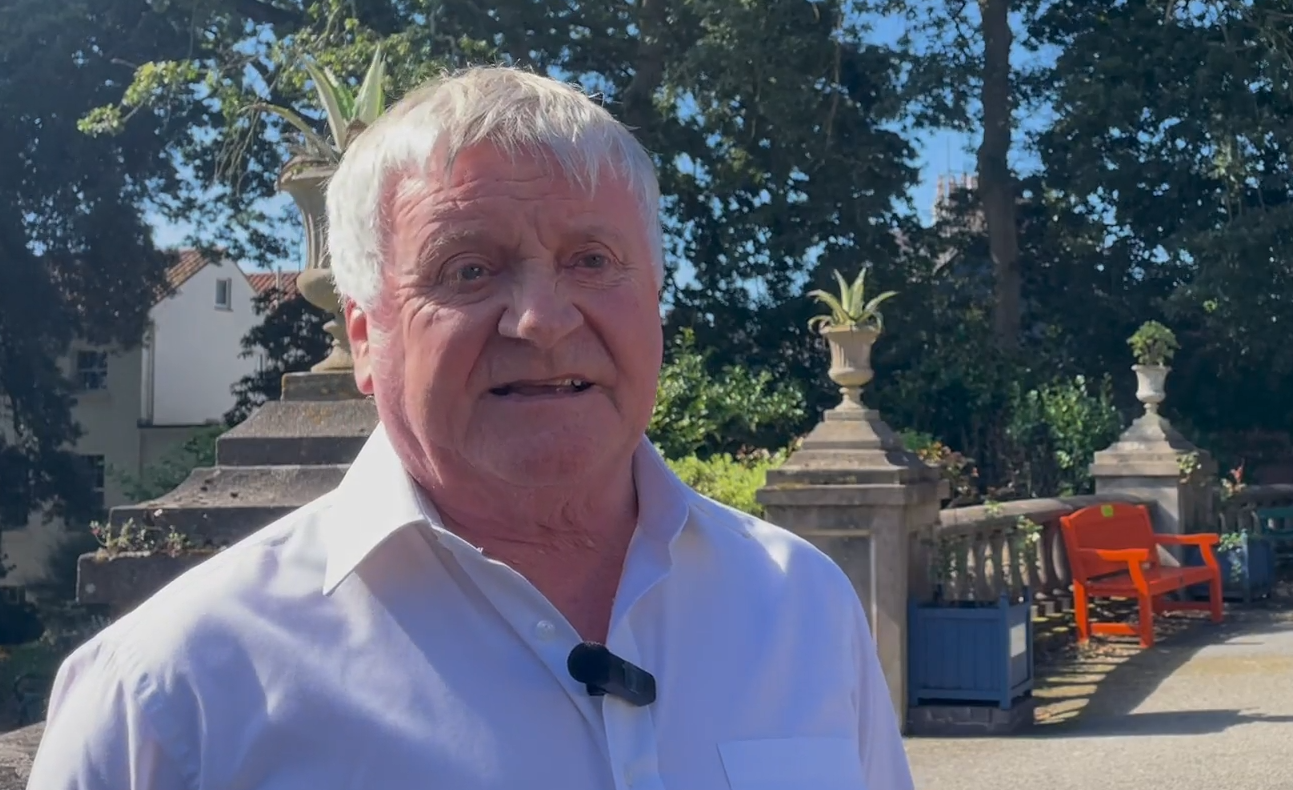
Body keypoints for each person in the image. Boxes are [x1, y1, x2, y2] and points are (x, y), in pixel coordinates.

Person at [28, 67, 913, 789]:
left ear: (655, 305)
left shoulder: (802, 606)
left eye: (592, 261)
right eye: (470, 268)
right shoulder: (166, 699)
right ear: (365, 338)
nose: (542, 319)